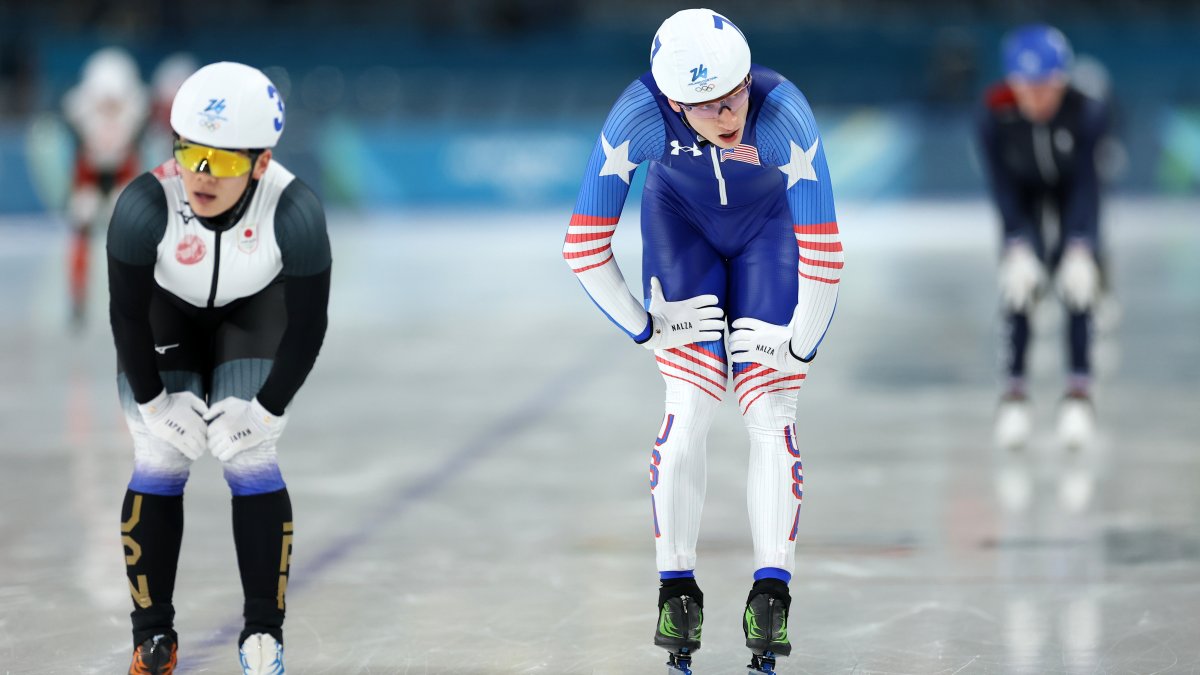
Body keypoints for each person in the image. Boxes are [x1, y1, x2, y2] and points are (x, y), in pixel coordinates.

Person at [562, 9, 841, 674]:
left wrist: (800, 347)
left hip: (769, 232)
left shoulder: (784, 113)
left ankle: (771, 593)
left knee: (771, 407)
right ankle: (675, 588)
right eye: (708, 105)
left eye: (737, 92)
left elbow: (825, 254)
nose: (730, 113)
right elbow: (582, 244)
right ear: (671, 102)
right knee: (690, 402)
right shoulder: (639, 113)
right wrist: (644, 325)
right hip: (679, 227)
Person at [107, 61, 330, 674]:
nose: (200, 177)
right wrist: (154, 406)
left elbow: (308, 327)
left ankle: (264, 631)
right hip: (162, 318)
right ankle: (152, 634)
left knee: (251, 457)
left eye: (224, 161)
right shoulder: (143, 205)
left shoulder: (296, 211)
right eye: (190, 153)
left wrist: (267, 409)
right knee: (159, 455)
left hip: (253, 315)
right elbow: (125, 317)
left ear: (261, 163)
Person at [978, 24, 1111, 450]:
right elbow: (1001, 188)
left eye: (1046, 89)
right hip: (1024, 195)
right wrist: (1016, 245)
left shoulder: (1087, 111)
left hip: (1070, 189)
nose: (1037, 99)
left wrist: (1081, 247)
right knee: (1018, 288)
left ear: (1062, 81)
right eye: (1027, 89)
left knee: (1079, 286)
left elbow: (1089, 186)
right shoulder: (992, 115)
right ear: (1012, 85)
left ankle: (1078, 396)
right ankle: (1014, 397)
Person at [62, 47, 149, 328]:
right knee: (82, 226)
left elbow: (133, 152)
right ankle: (78, 299)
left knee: (129, 235)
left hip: (121, 175)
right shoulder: (78, 109)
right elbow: (80, 153)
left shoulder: (137, 109)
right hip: (89, 176)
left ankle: (135, 296)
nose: (110, 106)